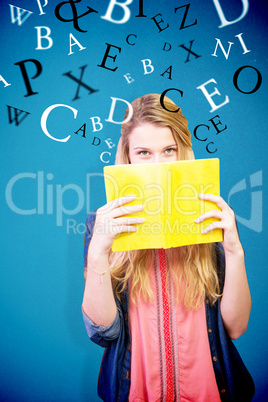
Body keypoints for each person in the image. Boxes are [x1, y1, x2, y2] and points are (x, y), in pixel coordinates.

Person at [82, 94, 254, 401]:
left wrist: (234, 252)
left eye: (168, 150)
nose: (158, 165)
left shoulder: (211, 218)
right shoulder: (101, 225)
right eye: (144, 152)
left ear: (183, 152)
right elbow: (104, 332)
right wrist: (98, 251)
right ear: (129, 156)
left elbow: (236, 328)